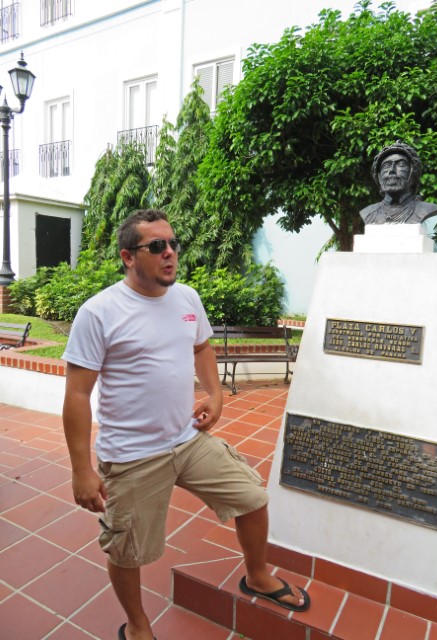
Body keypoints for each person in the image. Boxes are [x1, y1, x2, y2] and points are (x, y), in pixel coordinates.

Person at [62, 209, 310, 640]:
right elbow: (78, 395)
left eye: (173, 243)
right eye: (156, 246)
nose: (170, 253)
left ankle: (257, 575)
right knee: (128, 550)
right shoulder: (98, 313)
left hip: (188, 440)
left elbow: (201, 347)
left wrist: (214, 396)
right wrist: (82, 469)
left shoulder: (187, 298)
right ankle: (138, 626)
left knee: (252, 497)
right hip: (133, 457)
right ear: (127, 256)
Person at [359, 141, 437, 224]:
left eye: (401, 164)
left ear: (413, 172)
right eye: (386, 165)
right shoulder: (368, 213)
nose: (392, 170)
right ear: (379, 176)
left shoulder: (428, 210)